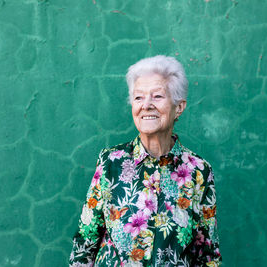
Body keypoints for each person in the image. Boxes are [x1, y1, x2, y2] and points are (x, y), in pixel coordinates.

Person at [69, 55, 222, 266]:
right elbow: (85, 242)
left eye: (157, 96)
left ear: (179, 107)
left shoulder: (198, 171)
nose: (146, 105)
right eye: (139, 98)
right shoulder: (111, 162)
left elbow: (207, 255)